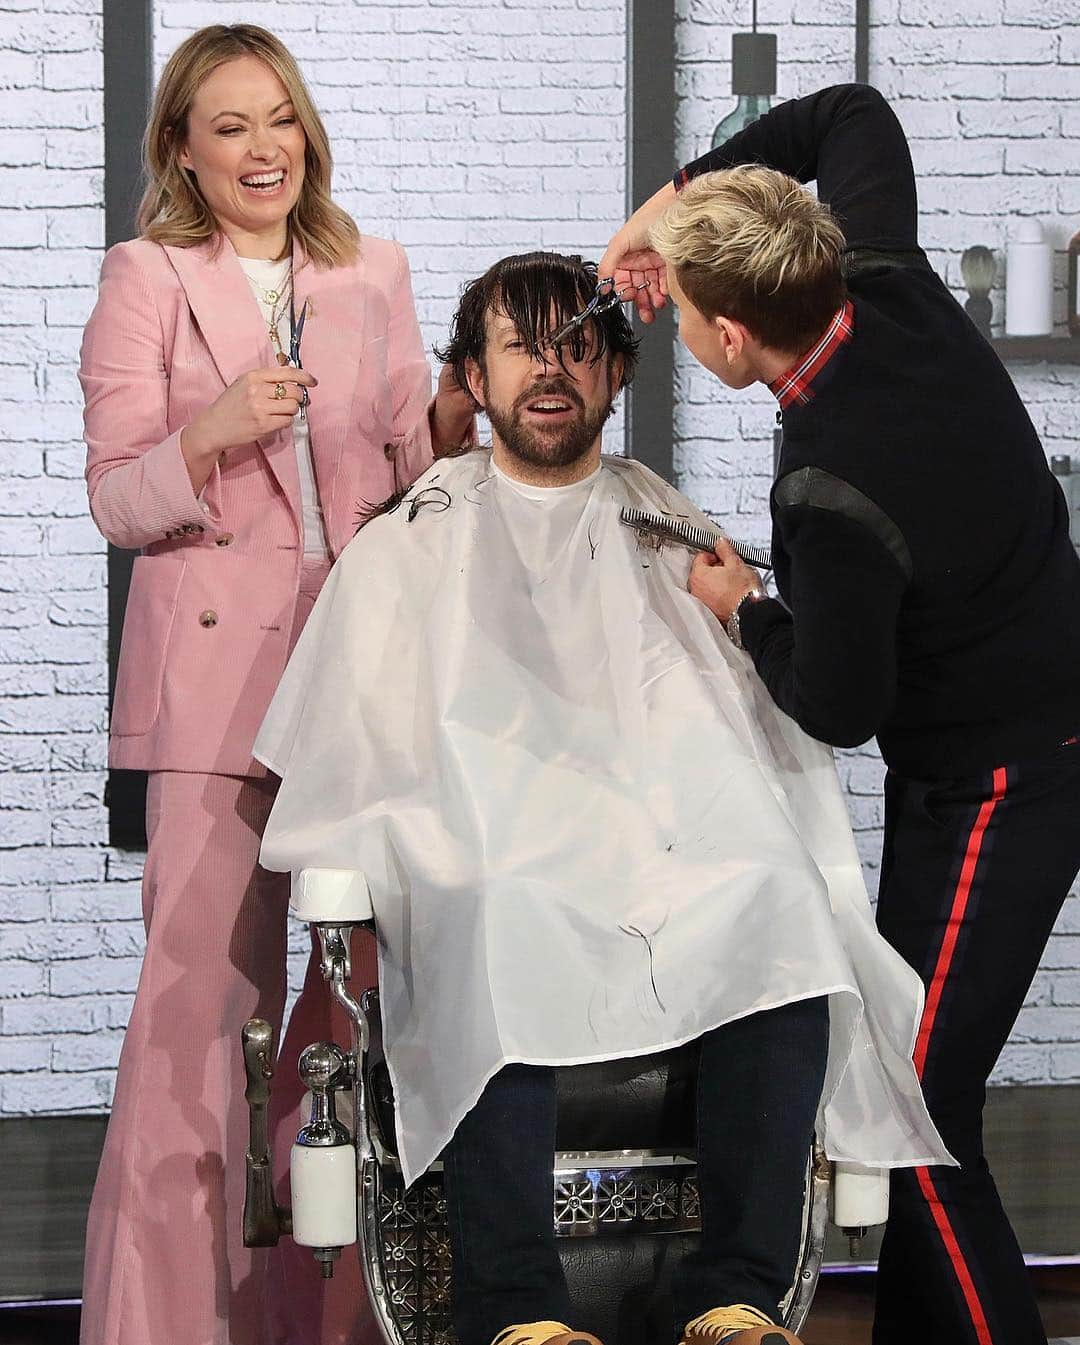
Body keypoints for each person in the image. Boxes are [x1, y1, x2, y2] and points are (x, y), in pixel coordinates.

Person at [253, 251, 951, 1345]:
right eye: (522, 344)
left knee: (775, 897)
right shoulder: (415, 539)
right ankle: (517, 1310)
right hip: (496, 857)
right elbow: (359, 757)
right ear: (471, 378)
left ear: (617, 373)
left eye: (579, 345)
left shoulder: (659, 524)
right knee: (499, 904)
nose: (552, 370)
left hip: (653, 851)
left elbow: (742, 729)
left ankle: (736, 1295)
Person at [599, 84, 1080, 1345]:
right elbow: (853, 114)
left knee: (912, 1110)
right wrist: (677, 203)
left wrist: (741, 605)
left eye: (691, 308)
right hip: (1027, 715)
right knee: (915, 1092)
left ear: (723, 339)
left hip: (1007, 779)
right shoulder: (879, 272)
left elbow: (837, 705)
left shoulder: (830, 487)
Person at [78, 23, 473, 1345]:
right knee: (200, 1024)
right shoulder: (145, 276)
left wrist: (460, 426)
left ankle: (344, 1321)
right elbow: (117, 503)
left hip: (358, 679)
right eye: (231, 126)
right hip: (208, 695)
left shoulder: (375, 272)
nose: (263, 149)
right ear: (183, 151)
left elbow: (416, 467)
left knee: (358, 1019)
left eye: (280, 121)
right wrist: (214, 430)